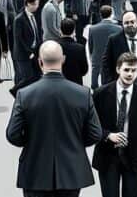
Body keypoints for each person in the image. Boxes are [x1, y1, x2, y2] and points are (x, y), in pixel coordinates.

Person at [7, 40, 102, 197]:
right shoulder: (82, 94)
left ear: (39, 61)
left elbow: (12, 134)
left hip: (35, 171)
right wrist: (75, 142)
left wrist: (31, 141)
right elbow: (96, 133)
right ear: (63, 59)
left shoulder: (25, 94)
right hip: (71, 172)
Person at [92, 51, 137, 197]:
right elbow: (91, 125)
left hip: (134, 157)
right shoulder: (100, 94)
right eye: (126, 69)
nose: (130, 74)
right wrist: (108, 135)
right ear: (118, 69)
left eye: (134, 70)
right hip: (107, 156)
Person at [90, 6, 123, 89]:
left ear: (100, 15)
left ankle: (95, 89)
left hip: (97, 55)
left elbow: (91, 44)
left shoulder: (93, 28)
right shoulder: (118, 29)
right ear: (111, 14)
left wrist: (92, 54)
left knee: (95, 72)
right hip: (112, 56)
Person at [12, 0, 42, 85]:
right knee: (26, 78)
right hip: (23, 54)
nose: (37, 6)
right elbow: (19, 39)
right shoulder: (19, 19)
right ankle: (17, 94)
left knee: (37, 76)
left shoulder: (35, 15)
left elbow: (37, 34)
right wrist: (29, 52)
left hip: (35, 52)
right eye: (36, 4)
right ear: (29, 4)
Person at [58, 18, 89, 86]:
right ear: (74, 31)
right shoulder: (80, 48)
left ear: (60, 30)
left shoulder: (56, 46)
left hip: (60, 83)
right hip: (76, 82)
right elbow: (84, 69)